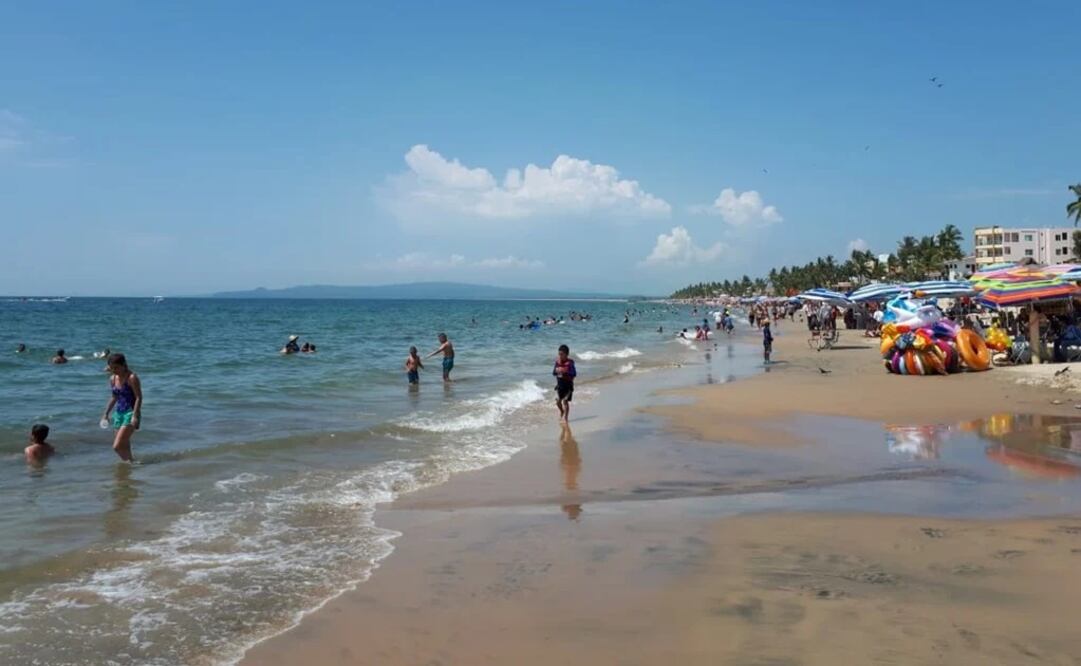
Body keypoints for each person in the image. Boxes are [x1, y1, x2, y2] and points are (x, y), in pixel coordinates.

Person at [101, 353, 142, 462]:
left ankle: (132, 464)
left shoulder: (132, 377)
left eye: (116, 367)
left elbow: (139, 397)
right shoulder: (112, 379)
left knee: (117, 446)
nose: (114, 370)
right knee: (124, 444)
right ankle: (130, 466)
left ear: (124, 365)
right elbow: (114, 397)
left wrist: (135, 415)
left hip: (130, 412)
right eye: (112, 368)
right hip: (118, 413)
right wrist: (106, 414)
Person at [553, 344, 576, 422]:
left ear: (566, 354)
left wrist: (564, 371)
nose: (560, 356)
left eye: (562, 354)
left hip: (568, 386)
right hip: (560, 385)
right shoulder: (557, 362)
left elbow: (574, 374)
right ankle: (562, 411)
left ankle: (566, 418)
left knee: (565, 401)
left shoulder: (570, 363)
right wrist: (557, 371)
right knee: (558, 401)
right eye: (559, 354)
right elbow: (553, 373)